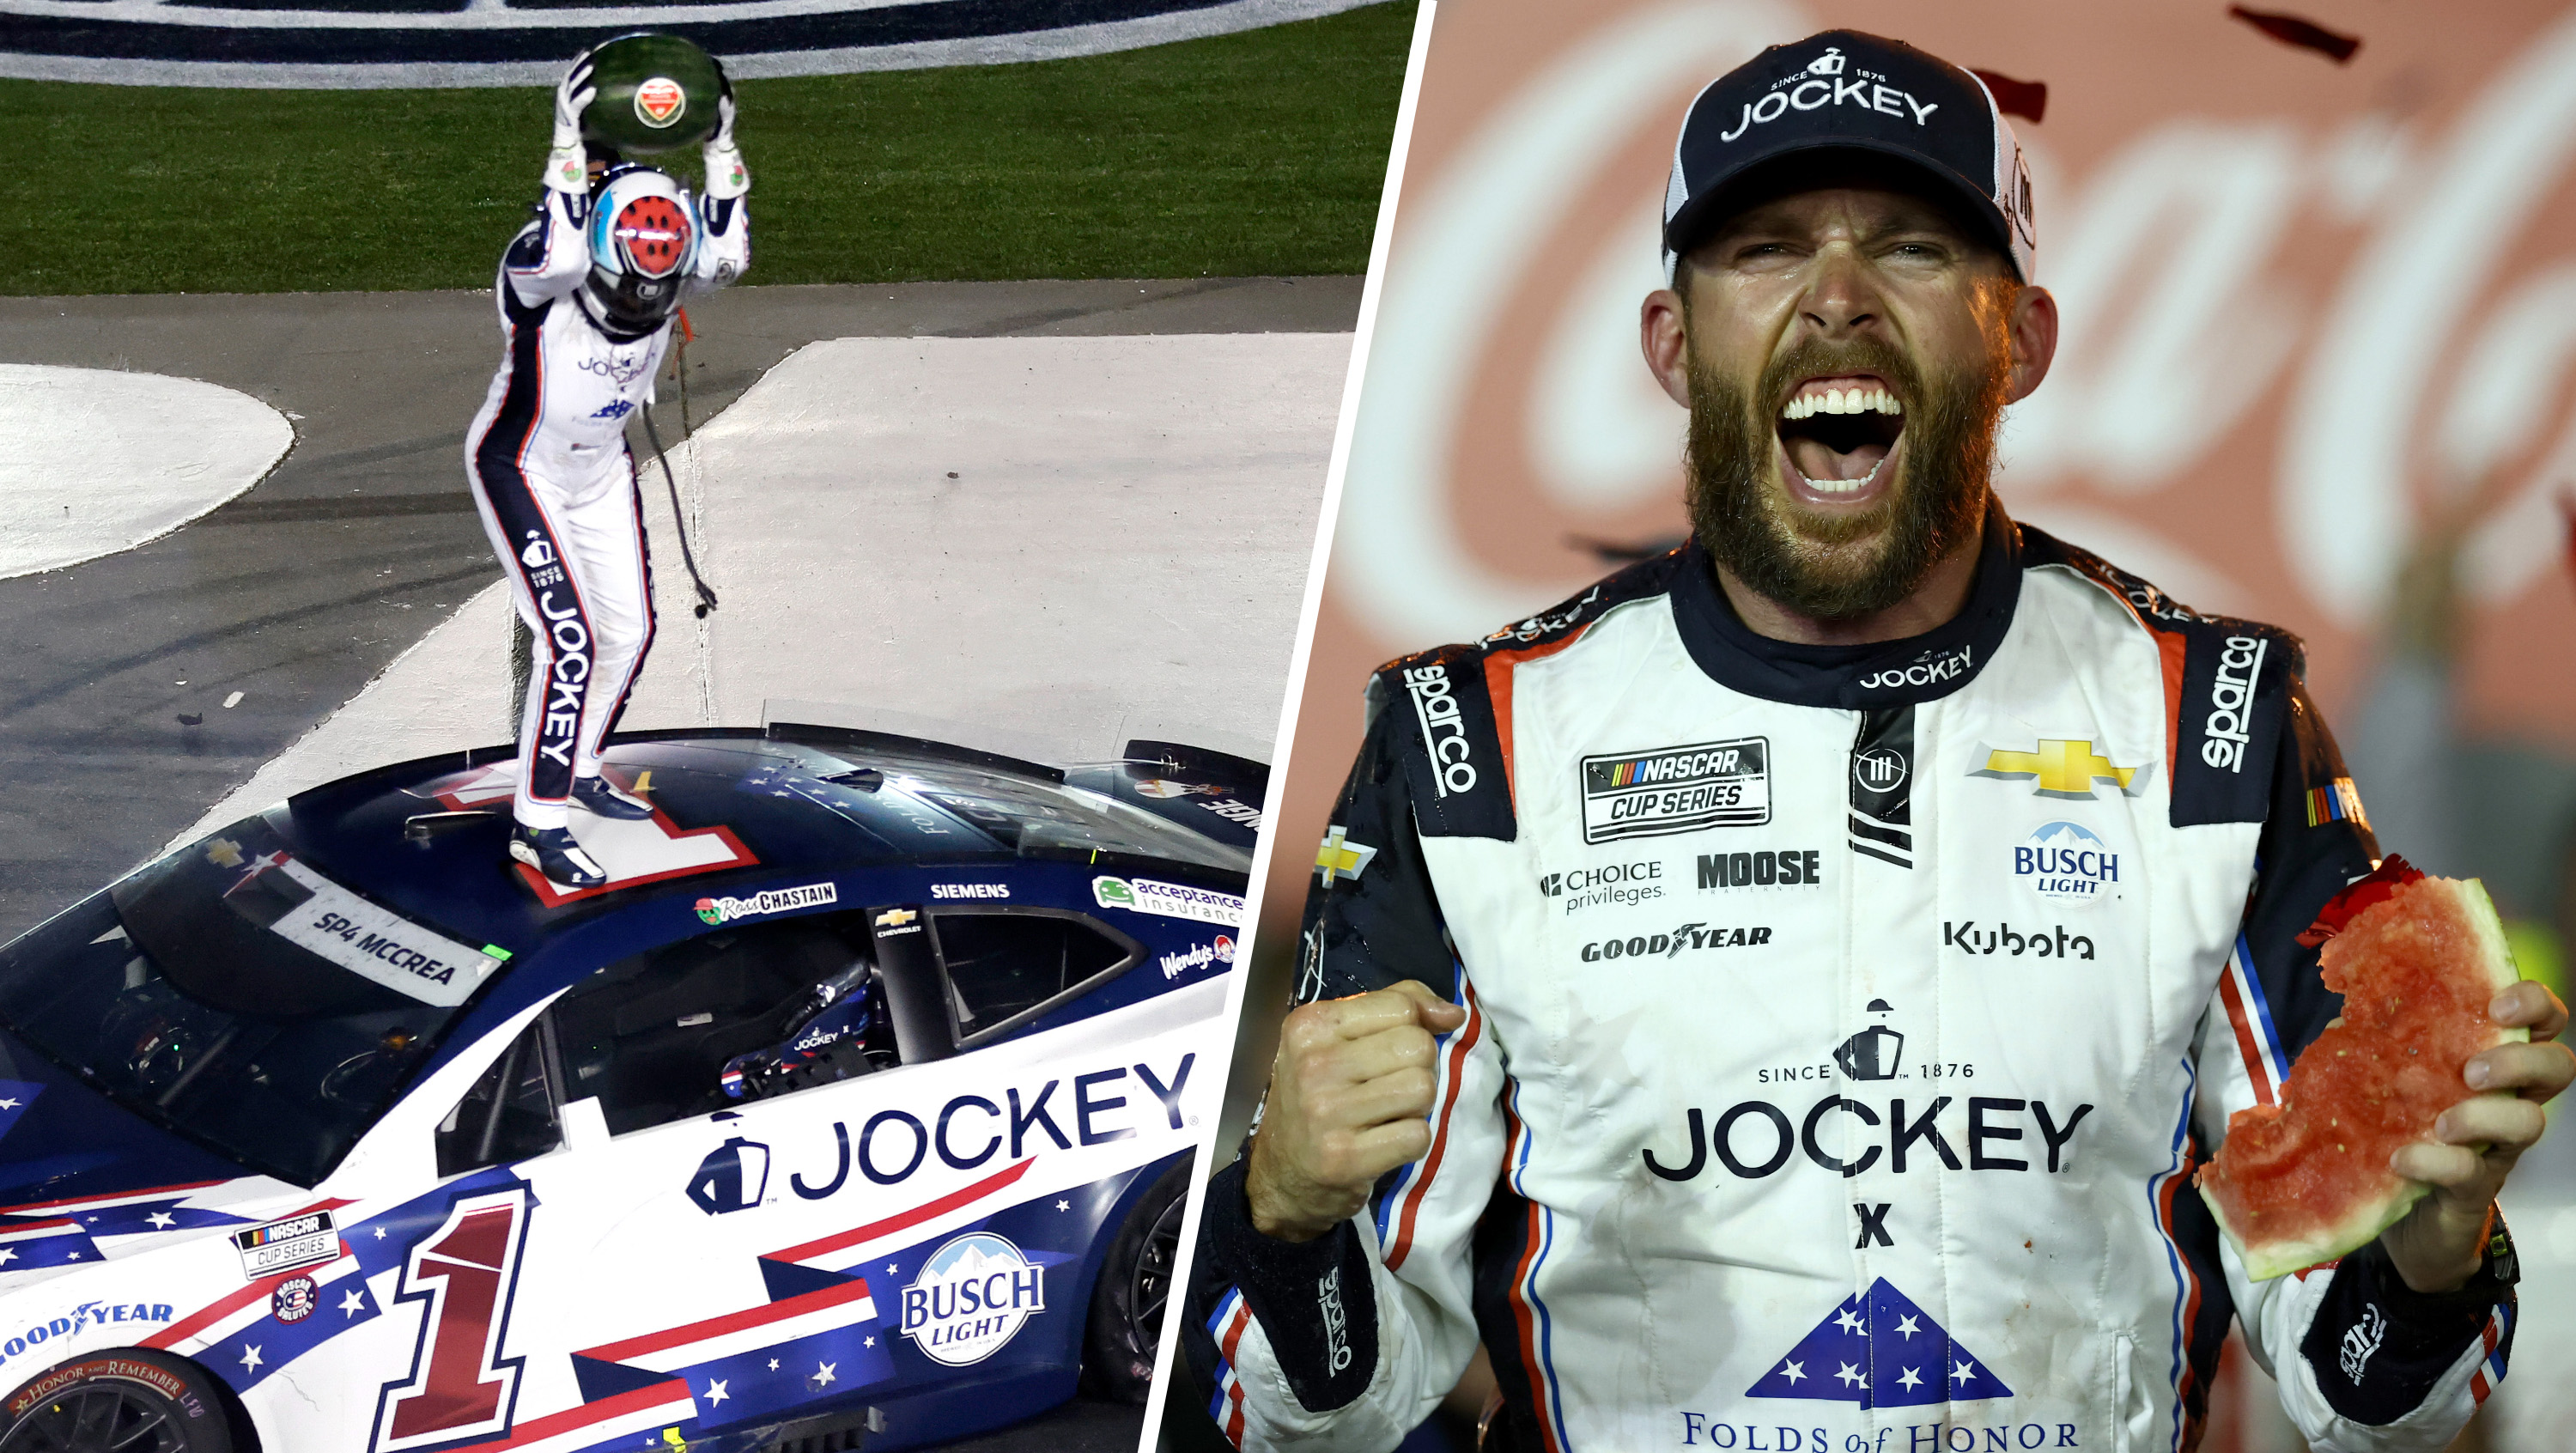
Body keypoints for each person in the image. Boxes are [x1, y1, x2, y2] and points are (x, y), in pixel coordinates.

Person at [1182, 30, 2571, 1453]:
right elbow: (1324, 1418)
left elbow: (2359, 1407)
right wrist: (1279, 1222)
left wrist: (2426, 1255)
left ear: (2019, 339)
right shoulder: (1463, 744)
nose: (1837, 298)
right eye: (1765, 250)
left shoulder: (2217, 718)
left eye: (1910, 248)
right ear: (1673, 346)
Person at [468, 50, 751, 889]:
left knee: (629, 631)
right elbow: (558, 254)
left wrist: (722, 142)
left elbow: (729, 252)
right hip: (522, 465)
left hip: (599, 469)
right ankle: (537, 822)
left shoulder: (672, 244)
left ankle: (578, 763)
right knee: (572, 641)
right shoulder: (544, 261)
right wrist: (565, 133)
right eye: (625, 283)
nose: (640, 302)